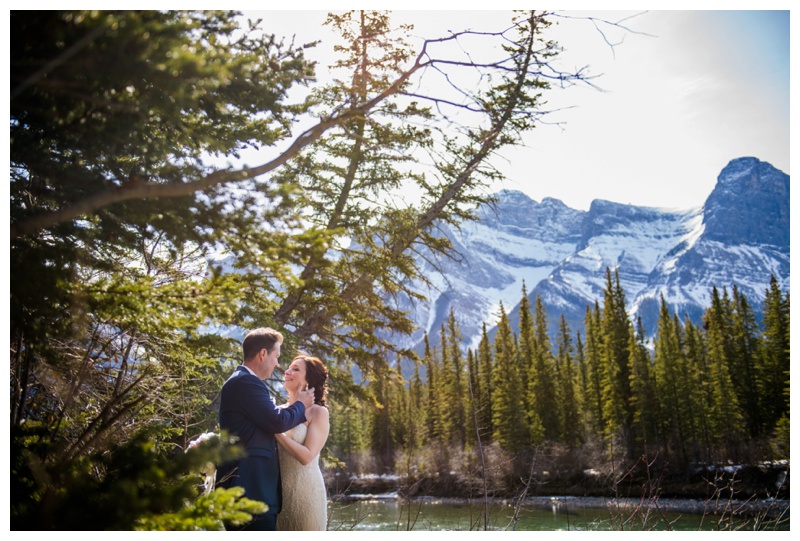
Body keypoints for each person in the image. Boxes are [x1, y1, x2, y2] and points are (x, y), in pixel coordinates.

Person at [216, 328, 315, 531]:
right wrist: (301, 404)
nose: (278, 364)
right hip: (249, 492)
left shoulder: (244, 382)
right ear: (263, 354)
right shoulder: (246, 382)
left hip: (252, 492)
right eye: (276, 356)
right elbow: (276, 421)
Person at [275, 354, 330, 531]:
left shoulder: (318, 413)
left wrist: (276, 432)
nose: (287, 371)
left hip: (307, 495)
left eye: (295, 369)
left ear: (309, 380)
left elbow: (307, 456)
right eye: (289, 367)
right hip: (277, 497)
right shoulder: (277, 411)